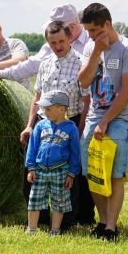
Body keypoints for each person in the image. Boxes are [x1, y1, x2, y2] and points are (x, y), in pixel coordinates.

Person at [78, 3, 128, 241]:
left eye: (94, 30)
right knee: (92, 171)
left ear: (107, 24)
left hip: (119, 117)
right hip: (95, 114)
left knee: (115, 173)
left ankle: (111, 228)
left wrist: (105, 121)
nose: (91, 35)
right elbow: (83, 82)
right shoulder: (90, 47)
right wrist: (96, 52)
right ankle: (102, 219)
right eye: (88, 31)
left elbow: (127, 92)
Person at [21, 20, 92, 229]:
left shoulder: (81, 63)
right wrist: (29, 125)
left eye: (61, 41)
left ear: (70, 37)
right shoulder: (45, 64)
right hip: (44, 123)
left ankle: (70, 220)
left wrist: (79, 130)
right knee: (33, 169)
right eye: (53, 42)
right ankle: (37, 217)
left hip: (70, 121)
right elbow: (37, 96)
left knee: (70, 173)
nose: (58, 46)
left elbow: (87, 100)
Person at [0, 4, 90, 82]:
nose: (57, 46)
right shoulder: (50, 47)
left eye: (57, 29)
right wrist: (0, 73)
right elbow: (31, 65)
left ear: (71, 27)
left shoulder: (92, 43)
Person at [25, 91, 81, 235]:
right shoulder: (41, 125)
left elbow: (75, 153)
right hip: (40, 170)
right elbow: (32, 147)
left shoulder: (71, 128)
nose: (45, 112)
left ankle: (55, 229)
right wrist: (31, 167)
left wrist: (72, 173)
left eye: (48, 109)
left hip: (61, 170)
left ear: (62, 109)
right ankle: (31, 229)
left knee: (59, 202)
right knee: (34, 199)